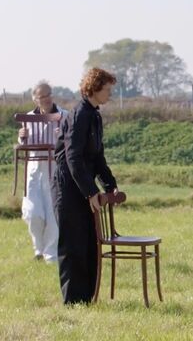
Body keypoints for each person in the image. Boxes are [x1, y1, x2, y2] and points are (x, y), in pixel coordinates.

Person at [52, 68, 119, 304]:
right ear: (95, 88)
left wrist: (110, 185)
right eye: (107, 89)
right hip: (68, 187)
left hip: (84, 183)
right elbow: (73, 158)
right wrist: (91, 191)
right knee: (73, 243)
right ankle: (72, 300)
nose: (110, 94)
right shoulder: (79, 114)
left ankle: (87, 297)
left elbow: (97, 156)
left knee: (89, 242)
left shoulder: (95, 115)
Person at [18, 81, 67, 263]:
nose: (46, 99)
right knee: (33, 212)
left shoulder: (64, 116)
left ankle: (51, 253)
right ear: (35, 99)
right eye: (42, 97)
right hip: (35, 171)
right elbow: (24, 144)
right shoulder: (28, 118)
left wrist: (61, 135)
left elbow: (71, 143)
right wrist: (22, 136)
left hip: (55, 170)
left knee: (54, 214)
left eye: (48, 95)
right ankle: (38, 248)